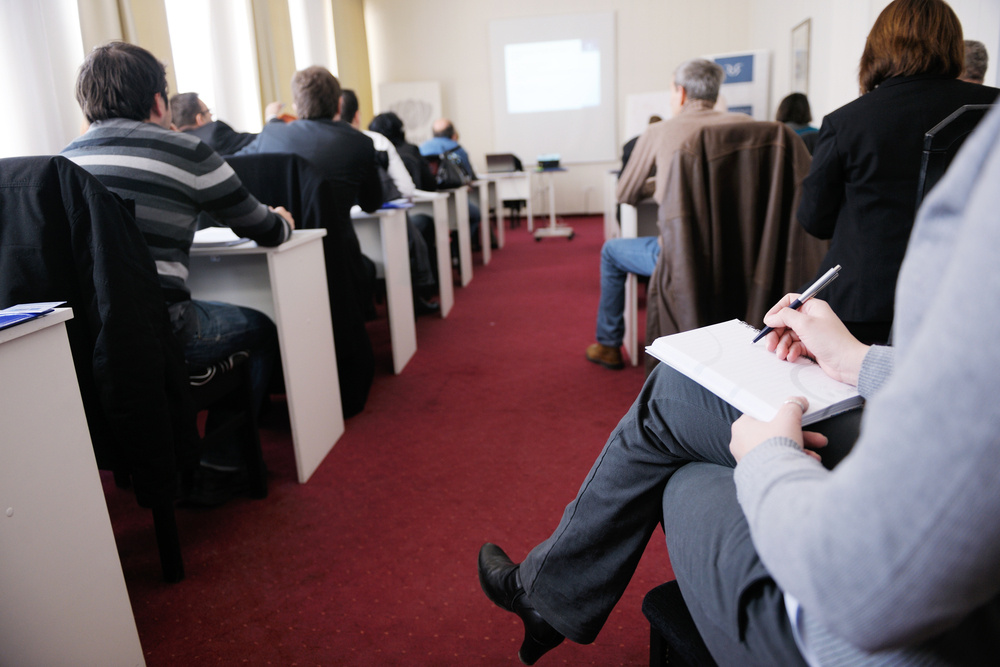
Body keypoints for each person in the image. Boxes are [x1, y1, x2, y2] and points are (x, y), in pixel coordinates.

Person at [479, 90, 1000, 667]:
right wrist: (856, 360)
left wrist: (766, 461)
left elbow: (864, 588)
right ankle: (545, 594)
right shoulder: (773, 133)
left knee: (680, 469)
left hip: (866, 635)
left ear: (680, 94)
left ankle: (545, 595)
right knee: (677, 401)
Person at [62, 41, 295, 505]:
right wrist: (284, 220)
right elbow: (264, 230)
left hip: (84, 345)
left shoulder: (63, 162)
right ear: (157, 101)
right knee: (261, 328)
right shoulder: (187, 151)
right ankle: (224, 461)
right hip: (163, 333)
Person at [797, 0, 998, 345]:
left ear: (877, 48)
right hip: (972, 299)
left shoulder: (846, 122)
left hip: (865, 307)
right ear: (952, 46)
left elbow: (814, 221)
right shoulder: (992, 110)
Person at [585, 58, 751, 370]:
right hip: (742, 254)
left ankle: (608, 345)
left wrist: (659, 184)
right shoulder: (748, 126)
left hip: (681, 257)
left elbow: (625, 193)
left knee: (611, 250)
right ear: (716, 93)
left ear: (682, 93)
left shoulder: (659, 131)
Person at [339, 89, 438, 314]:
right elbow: (406, 189)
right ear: (357, 115)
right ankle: (416, 298)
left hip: (338, 241)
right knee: (412, 231)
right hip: (381, 227)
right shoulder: (376, 142)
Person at [419, 118, 483, 244]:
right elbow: (469, 176)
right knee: (475, 215)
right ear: (452, 132)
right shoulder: (457, 148)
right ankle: (460, 248)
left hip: (426, 203)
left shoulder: (422, 147)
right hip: (454, 201)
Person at [169, 92, 284, 155]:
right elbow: (265, 142)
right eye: (208, 112)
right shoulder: (215, 133)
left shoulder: (175, 147)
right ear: (200, 119)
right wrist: (271, 117)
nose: (211, 116)